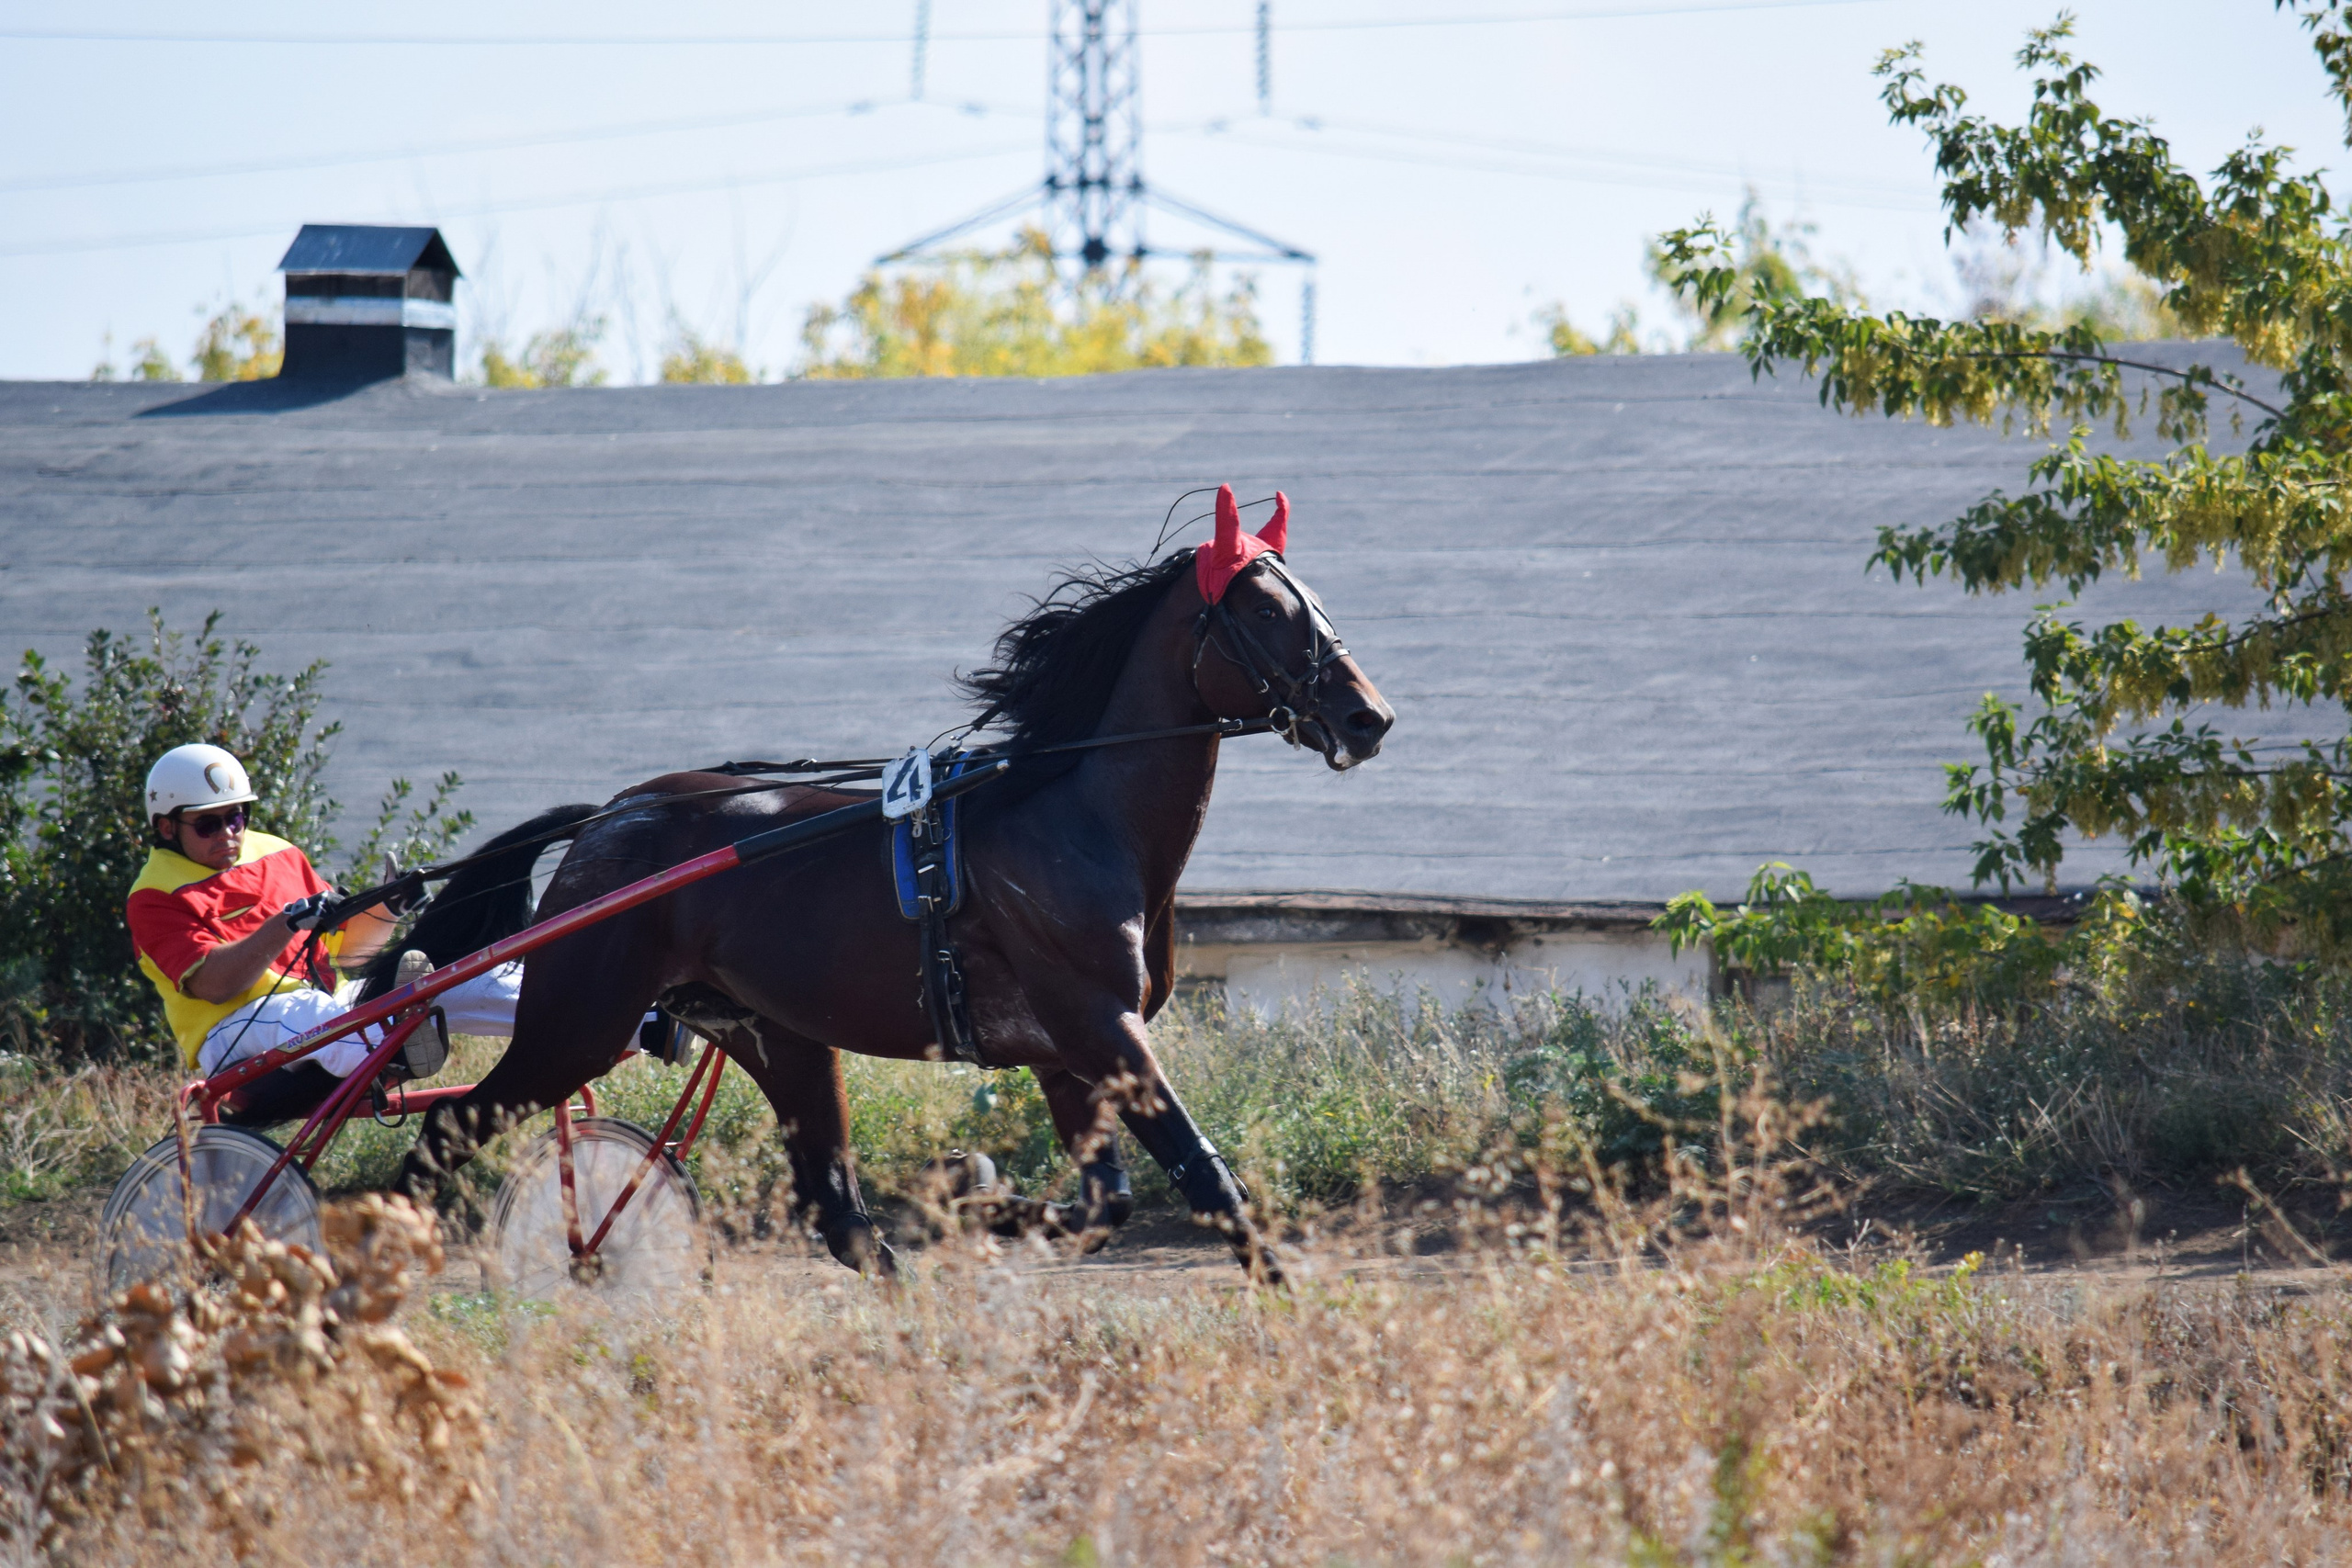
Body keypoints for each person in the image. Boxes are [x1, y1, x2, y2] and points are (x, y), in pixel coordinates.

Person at [123, 744, 523, 1101]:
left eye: (237, 817)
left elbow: (345, 952)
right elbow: (216, 985)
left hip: (332, 1004)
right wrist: (287, 922)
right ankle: (396, 1047)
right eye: (208, 824)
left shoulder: (278, 852)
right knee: (306, 1009)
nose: (228, 833)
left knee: (448, 981)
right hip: (234, 1028)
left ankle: (558, 1008)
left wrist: (389, 906)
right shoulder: (153, 896)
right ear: (167, 827)